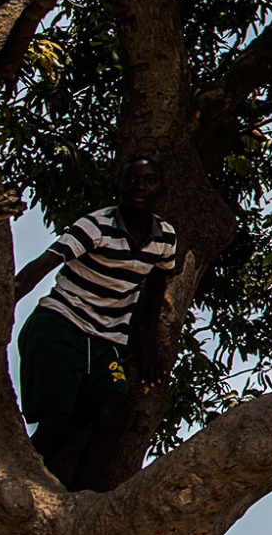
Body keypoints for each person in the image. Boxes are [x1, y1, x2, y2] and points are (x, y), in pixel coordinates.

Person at [13, 157, 179, 484]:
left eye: (149, 181)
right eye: (132, 181)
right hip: (61, 323)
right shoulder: (96, 224)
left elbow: (158, 284)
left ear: (161, 189)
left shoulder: (165, 238)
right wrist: (6, 299)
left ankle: (81, 500)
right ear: (118, 186)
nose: (140, 188)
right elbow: (43, 264)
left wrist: (146, 344)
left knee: (114, 412)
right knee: (58, 421)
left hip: (106, 341)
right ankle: (15, 481)